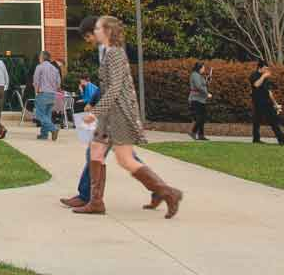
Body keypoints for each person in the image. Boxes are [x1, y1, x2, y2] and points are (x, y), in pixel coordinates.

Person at [76, 16, 183, 218]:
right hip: (111, 113)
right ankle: (95, 201)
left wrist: (95, 112)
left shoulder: (115, 53)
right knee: (96, 152)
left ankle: (167, 192)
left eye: (98, 28)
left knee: (125, 159)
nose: (95, 31)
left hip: (120, 113)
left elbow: (115, 88)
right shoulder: (107, 52)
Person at [250, 61, 284, 146]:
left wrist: (275, 103)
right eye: (265, 68)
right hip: (258, 102)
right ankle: (256, 139)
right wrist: (263, 76)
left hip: (267, 102)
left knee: (273, 120)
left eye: (267, 68)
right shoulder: (254, 75)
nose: (267, 70)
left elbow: (269, 92)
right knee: (257, 122)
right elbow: (256, 85)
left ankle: (281, 139)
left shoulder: (266, 78)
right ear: (260, 68)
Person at [33, 50, 62, 141]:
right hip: (52, 94)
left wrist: (36, 91)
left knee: (39, 114)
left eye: (40, 57)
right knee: (47, 115)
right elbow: (58, 84)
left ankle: (53, 129)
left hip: (43, 93)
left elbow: (36, 81)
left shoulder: (40, 67)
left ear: (42, 58)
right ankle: (44, 134)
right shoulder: (55, 69)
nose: (39, 58)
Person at [188, 62, 211, 141]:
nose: (204, 69)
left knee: (203, 117)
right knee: (200, 118)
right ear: (199, 68)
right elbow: (198, 86)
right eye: (203, 68)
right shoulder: (194, 75)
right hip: (196, 98)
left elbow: (203, 85)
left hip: (201, 99)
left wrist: (207, 80)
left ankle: (201, 135)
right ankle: (193, 132)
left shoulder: (199, 76)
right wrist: (207, 94)